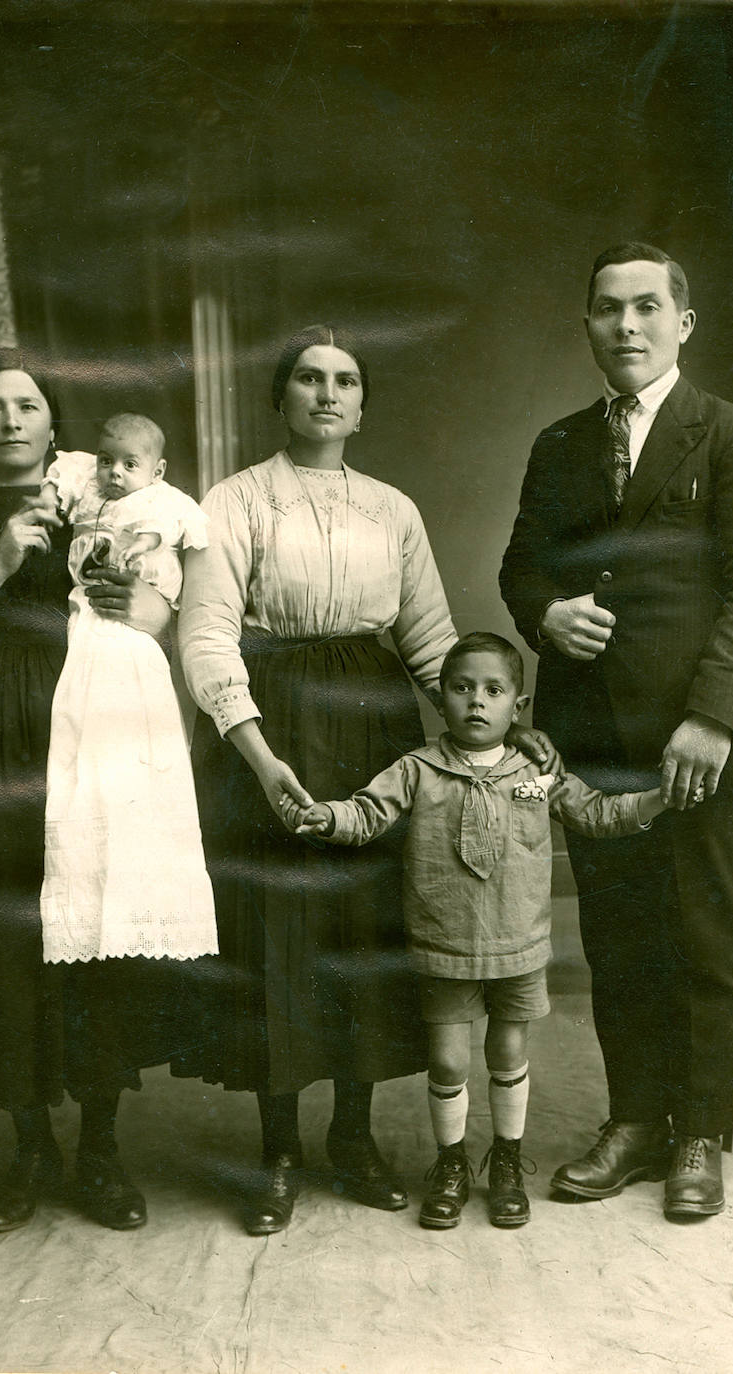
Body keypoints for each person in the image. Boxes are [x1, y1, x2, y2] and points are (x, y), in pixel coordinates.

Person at [179, 325, 555, 1235]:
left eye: (344, 381)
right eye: (307, 378)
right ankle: (276, 1150)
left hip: (373, 729)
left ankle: (353, 1136)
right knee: (280, 936)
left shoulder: (392, 509)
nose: (326, 393)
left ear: (360, 403)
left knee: (363, 929)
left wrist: (515, 734)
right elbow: (204, 634)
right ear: (280, 397)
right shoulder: (232, 502)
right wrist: (260, 758)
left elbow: (431, 645)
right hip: (271, 725)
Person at [499, 243, 733, 1219]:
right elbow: (519, 569)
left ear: (682, 322)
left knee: (705, 941)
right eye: (607, 310)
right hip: (591, 738)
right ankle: (633, 1122)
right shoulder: (557, 446)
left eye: (645, 308)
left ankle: (698, 1134)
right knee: (618, 939)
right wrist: (545, 614)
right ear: (586, 325)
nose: (626, 326)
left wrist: (711, 718)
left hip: (697, 738)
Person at [0, 348, 181, 1235]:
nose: (9, 421)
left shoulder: (100, 505)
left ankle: (99, 1150)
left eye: (26, 405)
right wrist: (3, 557)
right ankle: (29, 1147)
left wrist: (133, 584)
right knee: (5, 946)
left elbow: (155, 612)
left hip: (84, 737)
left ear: (54, 425)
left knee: (90, 940)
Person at [283, 632, 673, 1231]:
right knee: (446, 1060)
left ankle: (508, 1162)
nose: (476, 702)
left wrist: (653, 802)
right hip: (445, 944)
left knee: (508, 1050)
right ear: (441, 700)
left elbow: (596, 811)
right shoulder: (418, 769)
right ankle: (451, 1163)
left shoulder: (536, 773)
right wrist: (327, 816)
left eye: (494, 691)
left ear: (518, 707)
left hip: (516, 945)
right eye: (462, 689)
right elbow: (368, 811)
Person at [38, 414, 217, 967]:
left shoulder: (161, 499)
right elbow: (65, 468)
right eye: (107, 460)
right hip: (85, 630)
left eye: (129, 464)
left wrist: (143, 538)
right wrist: (49, 497)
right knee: (79, 752)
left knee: (136, 764)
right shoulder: (87, 479)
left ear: (157, 470)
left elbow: (195, 523)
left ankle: (143, 911)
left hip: (133, 637)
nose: (114, 473)